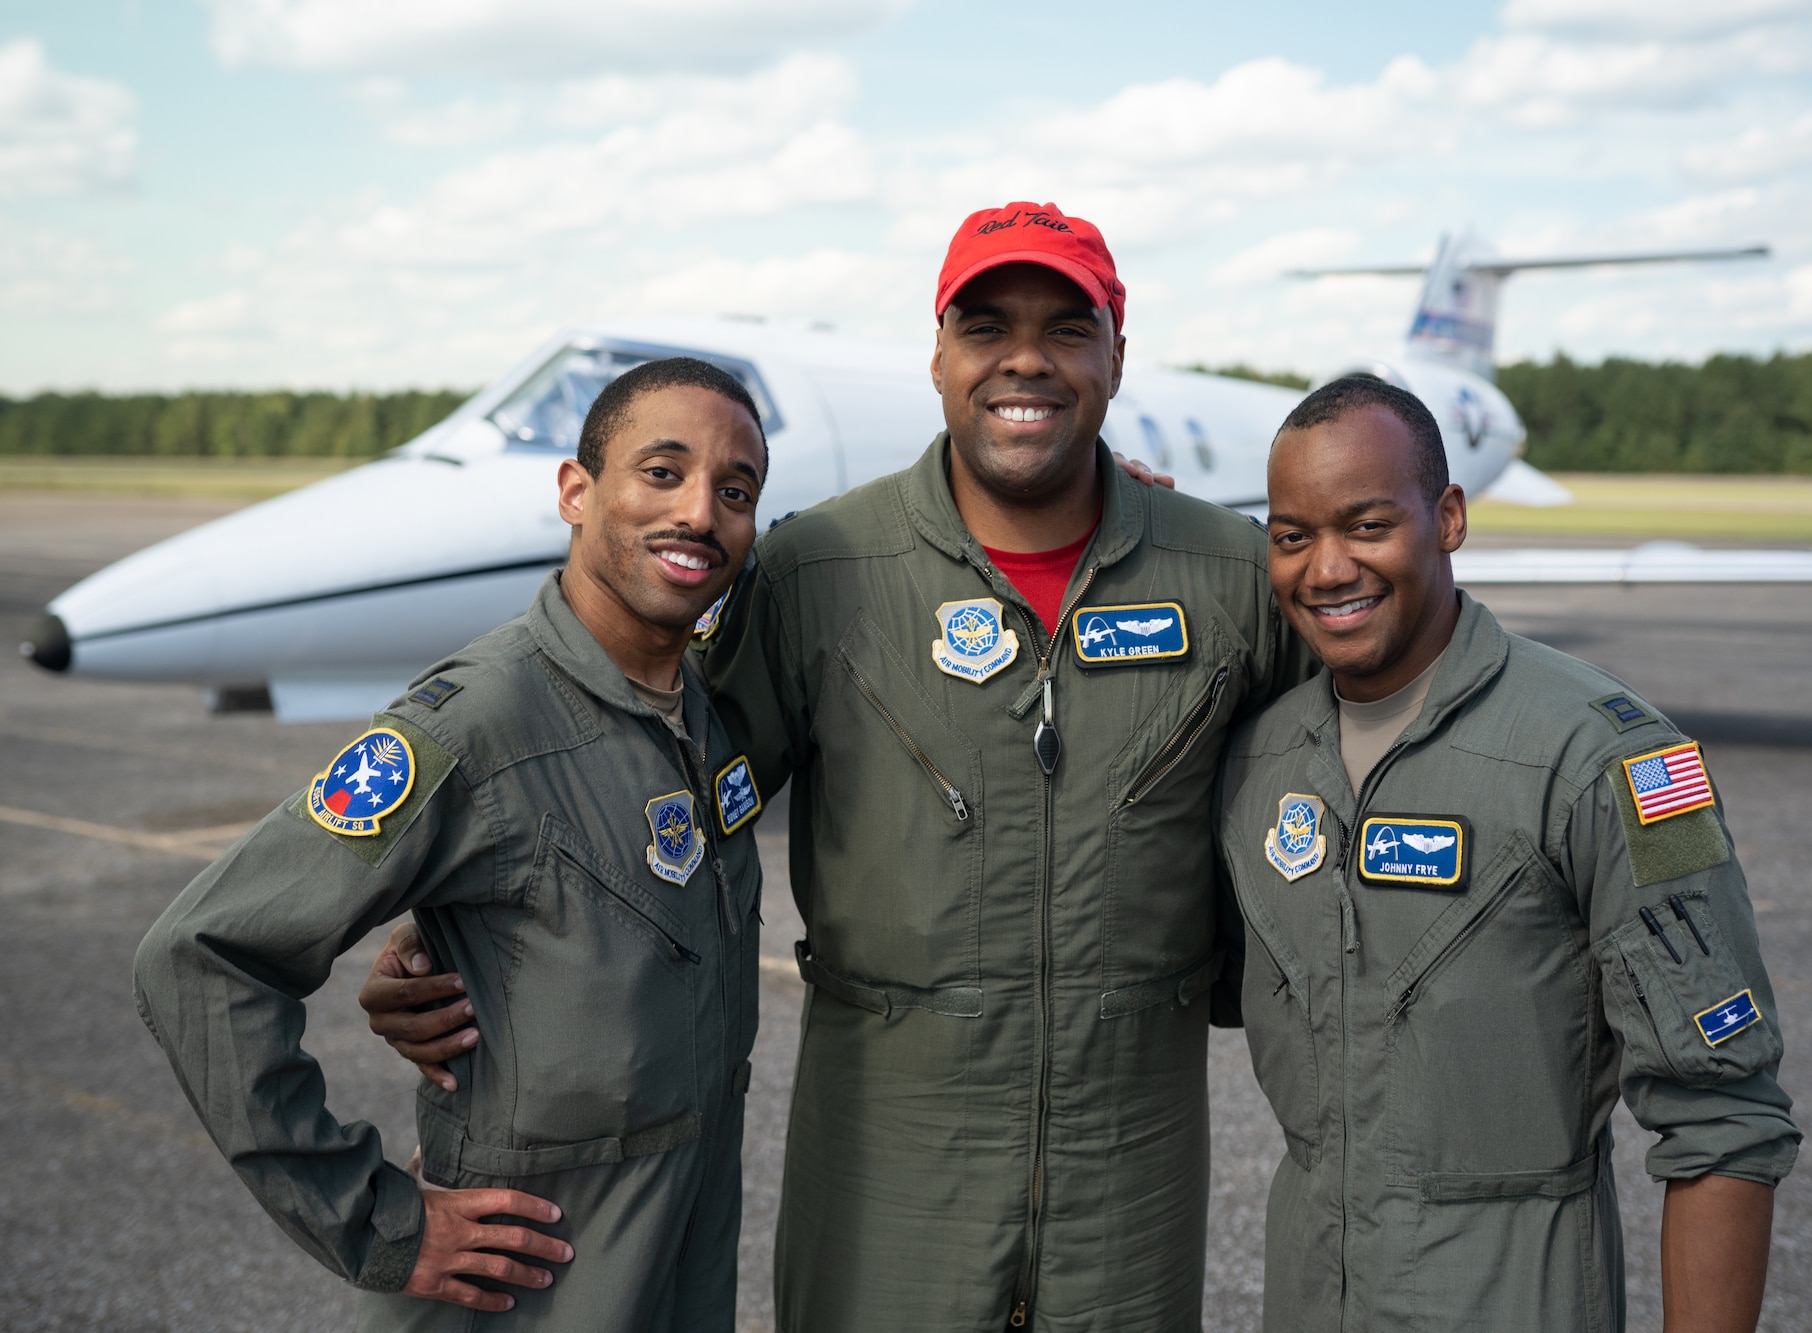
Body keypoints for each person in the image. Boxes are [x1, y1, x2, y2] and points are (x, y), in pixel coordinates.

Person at [364, 201, 1317, 1331]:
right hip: (885, 1169)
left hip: (1131, 1174)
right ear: (937, 357)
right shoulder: (817, 569)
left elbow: (1353, 771)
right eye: (985, 326)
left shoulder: (1226, 573)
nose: (1025, 357)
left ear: (1116, 354)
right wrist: (462, 934)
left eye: (1068, 328)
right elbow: (656, 791)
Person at [132, 357, 771, 1329]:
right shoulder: (470, 724)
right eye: (661, 471)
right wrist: (374, 1218)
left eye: (734, 490)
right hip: (525, 1293)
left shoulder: (700, 720)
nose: (698, 511)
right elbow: (203, 955)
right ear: (574, 490)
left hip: (675, 1273)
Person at [1214, 376, 1801, 1332]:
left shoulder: (1608, 754)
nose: (1326, 568)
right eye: (1291, 536)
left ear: (1447, 517)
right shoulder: (1256, 763)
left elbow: (1724, 1119)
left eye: (1366, 525)